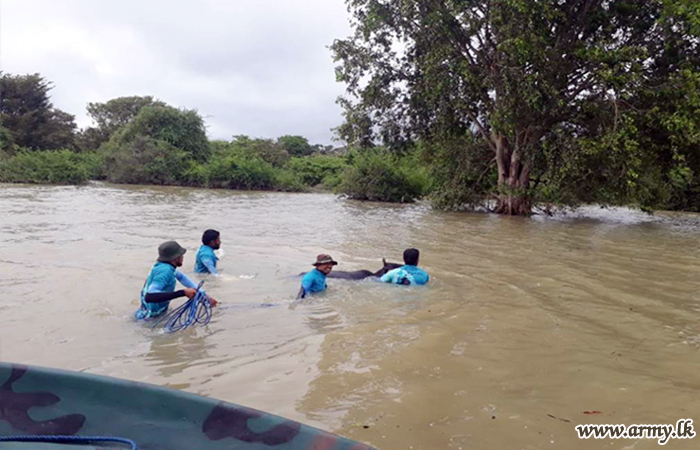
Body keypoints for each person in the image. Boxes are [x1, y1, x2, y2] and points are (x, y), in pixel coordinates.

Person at [136, 241, 218, 320]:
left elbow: (183, 278)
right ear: (175, 258)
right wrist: (183, 293)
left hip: (151, 313)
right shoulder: (165, 271)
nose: (183, 257)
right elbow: (149, 296)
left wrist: (205, 296)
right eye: (181, 255)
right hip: (149, 318)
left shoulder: (166, 267)